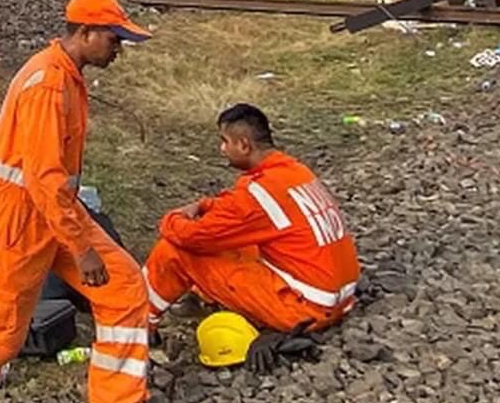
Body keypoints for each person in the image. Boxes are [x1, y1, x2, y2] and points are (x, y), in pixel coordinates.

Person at [0, 0, 165, 403]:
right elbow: (43, 178)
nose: (118, 50)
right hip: (19, 221)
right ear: (85, 33)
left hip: (55, 214)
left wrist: (76, 235)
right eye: (113, 39)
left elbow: (52, 186)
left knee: (125, 287)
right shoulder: (48, 85)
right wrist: (82, 249)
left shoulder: (65, 75)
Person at [143, 104, 360, 336]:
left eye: (225, 141)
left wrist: (171, 219)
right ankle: (203, 295)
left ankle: (139, 321)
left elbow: (193, 237)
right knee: (235, 241)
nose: (222, 148)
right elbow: (240, 213)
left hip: (303, 309)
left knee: (176, 250)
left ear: (244, 145)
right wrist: (205, 205)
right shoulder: (295, 172)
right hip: (338, 297)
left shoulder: (257, 194)